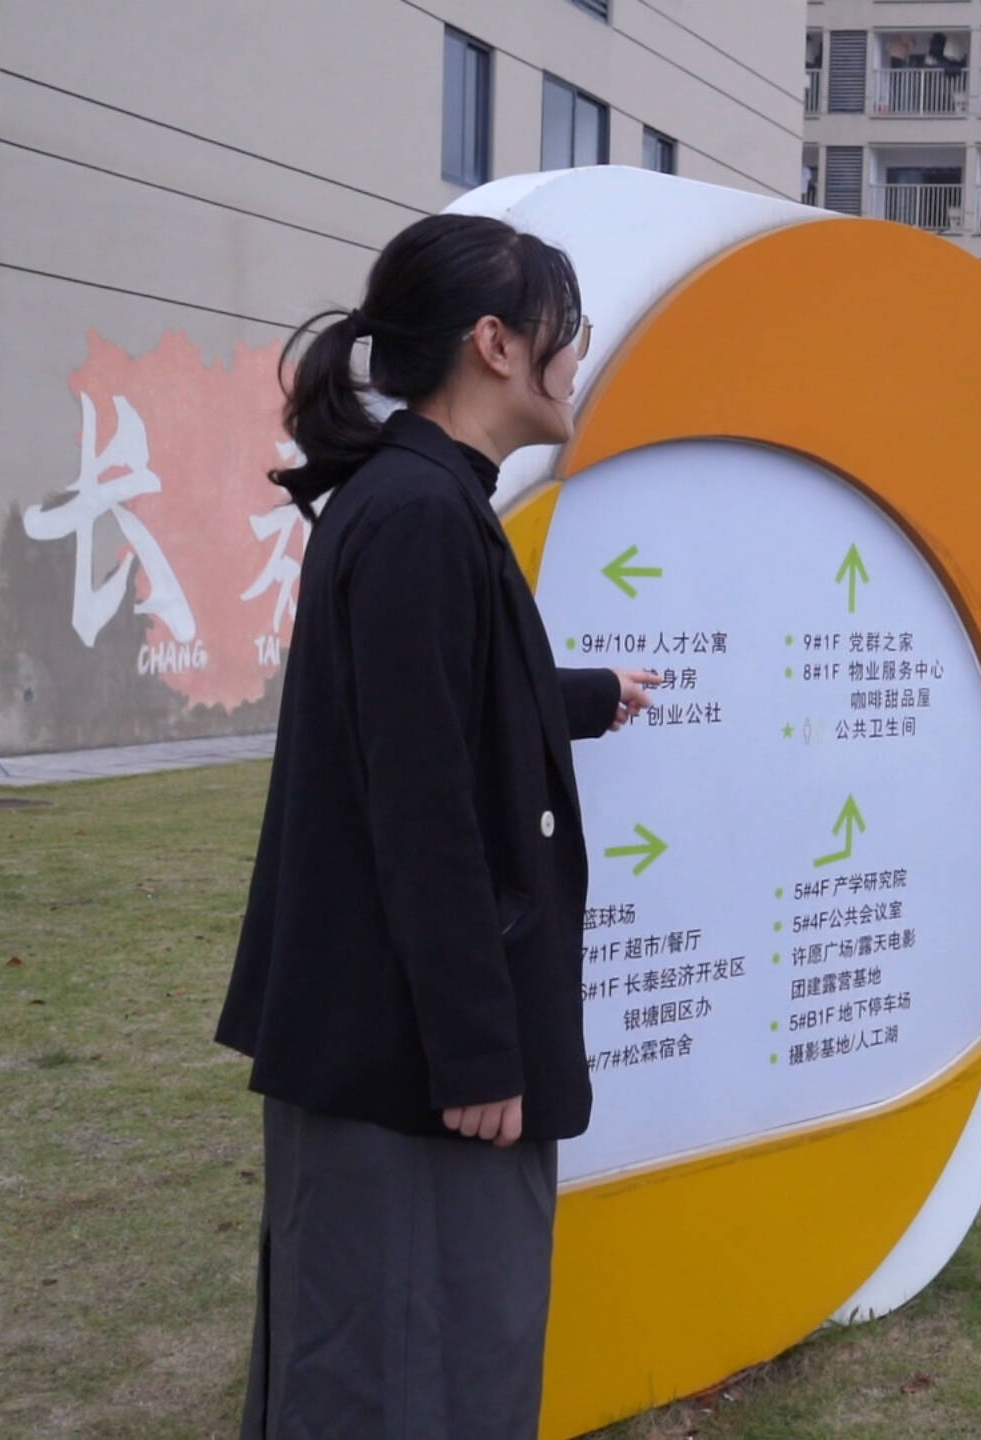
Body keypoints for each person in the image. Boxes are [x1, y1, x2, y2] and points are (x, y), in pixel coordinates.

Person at [216, 213, 656, 1438]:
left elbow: (441, 703)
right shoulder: (419, 513)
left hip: (387, 1036)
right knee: (413, 1360)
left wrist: (582, 696)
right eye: (569, 330)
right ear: (496, 344)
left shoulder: (416, 499)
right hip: (410, 1060)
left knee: (402, 1340)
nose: (579, 357)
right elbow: (421, 807)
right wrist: (476, 1053)